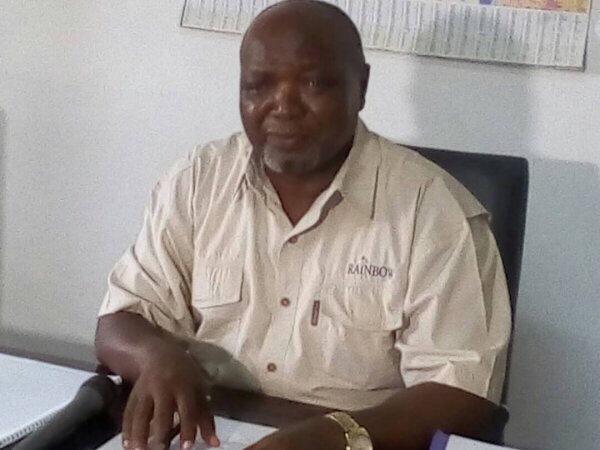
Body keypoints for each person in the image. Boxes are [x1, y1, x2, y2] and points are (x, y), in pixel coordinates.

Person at [95, 1, 511, 449]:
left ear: (361, 87)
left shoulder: (435, 212)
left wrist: (336, 435)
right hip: (211, 430)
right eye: (258, 85)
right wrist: (155, 355)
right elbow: (121, 318)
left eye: (313, 82)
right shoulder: (198, 180)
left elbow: (463, 394)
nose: (283, 106)